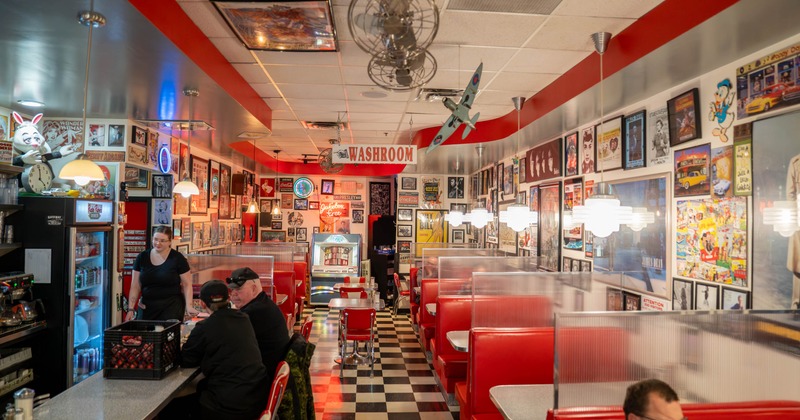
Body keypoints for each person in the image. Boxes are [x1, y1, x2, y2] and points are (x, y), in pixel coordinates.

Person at [172, 280, 269, 420]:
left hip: (228, 407)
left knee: (175, 406)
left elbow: (187, 361)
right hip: (256, 398)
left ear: (203, 304)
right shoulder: (244, 318)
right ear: (228, 298)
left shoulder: (204, 327)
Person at [226, 267, 290, 385]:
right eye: (232, 290)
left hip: (259, 383)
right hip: (266, 374)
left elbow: (228, 346)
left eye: (238, 289)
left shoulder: (253, 313)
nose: (233, 294)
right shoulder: (263, 303)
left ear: (254, 289)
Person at [126, 226, 198, 321]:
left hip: (171, 307)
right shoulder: (142, 257)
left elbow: (187, 284)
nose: (158, 243)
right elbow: (135, 285)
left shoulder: (177, 258)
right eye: (155, 239)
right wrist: (131, 308)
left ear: (169, 242)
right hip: (147, 306)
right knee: (144, 335)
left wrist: (189, 306)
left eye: (162, 241)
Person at [787, 153, 800, 309]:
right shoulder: (796, 162)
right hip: (799, 223)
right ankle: (796, 304)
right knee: (798, 266)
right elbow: (790, 195)